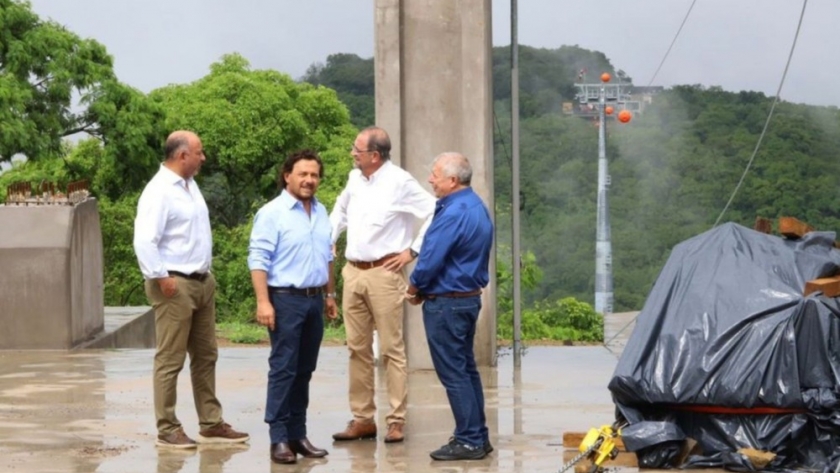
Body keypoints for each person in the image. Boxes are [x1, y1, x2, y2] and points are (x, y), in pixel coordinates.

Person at [133, 130, 249, 448]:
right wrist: (162, 277)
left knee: (206, 355)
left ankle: (211, 423)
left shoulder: (190, 185)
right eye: (199, 152)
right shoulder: (159, 191)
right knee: (171, 359)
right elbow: (145, 239)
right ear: (183, 155)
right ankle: (167, 427)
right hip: (174, 283)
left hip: (201, 281)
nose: (203, 158)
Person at [330, 126, 436, 443]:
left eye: (357, 150)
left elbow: (434, 211)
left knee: (391, 349)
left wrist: (412, 250)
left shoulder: (399, 181)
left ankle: (396, 419)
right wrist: (327, 239)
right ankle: (363, 418)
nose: (352, 153)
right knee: (357, 349)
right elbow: (340, 210)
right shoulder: (354, 179)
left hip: (385, 274)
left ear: (375, 156)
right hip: (354, 271)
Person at [248, 150, 338, 464]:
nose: (309, 180)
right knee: (284, 368)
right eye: (303, 174)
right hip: (284, 299)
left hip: (315, 300)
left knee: (305, 370)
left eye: (314, 175)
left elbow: (328, 256)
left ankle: (298, 434)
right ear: (287, 175)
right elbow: (258, 260)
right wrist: (263, 302)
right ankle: (279, 438)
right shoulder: (272, 213)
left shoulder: (322, 211)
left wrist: (330, 295)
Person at [405, 152, 494, 461]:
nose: (431, 180)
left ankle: (469, 440)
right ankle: (477, 435)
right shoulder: (475, 206)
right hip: (466, 299)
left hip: (447, 303)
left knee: (454, 373)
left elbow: (431, 258)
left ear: (453, 180)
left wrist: (415, 286)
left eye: (435, 175)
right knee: (466, 370)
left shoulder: (454, 212)